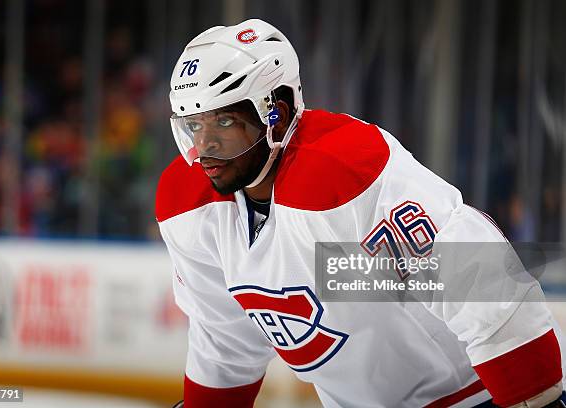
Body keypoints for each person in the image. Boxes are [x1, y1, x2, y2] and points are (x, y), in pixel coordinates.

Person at [156, 19, 566, 407]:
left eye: (224, 121)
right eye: (193, 126)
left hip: (478, 395)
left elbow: (481, 279)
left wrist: (536, 397)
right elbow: (225, 339)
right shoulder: (189, 206)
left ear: (276, 115)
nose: (204, 145)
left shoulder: (343, 172)